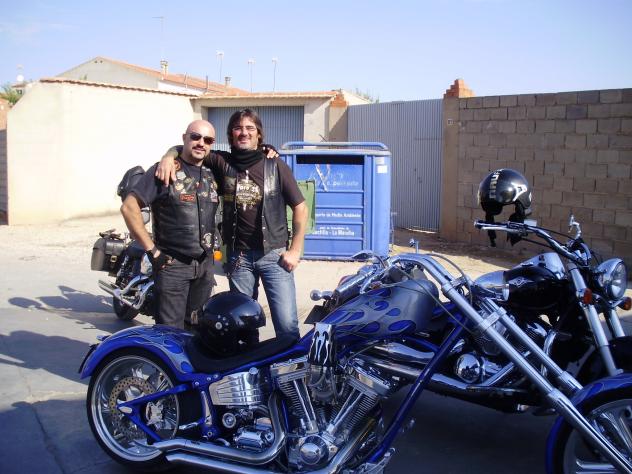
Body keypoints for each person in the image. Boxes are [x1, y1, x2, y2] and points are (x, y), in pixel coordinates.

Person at [156, 109, 307, 341]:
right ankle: (250, 363)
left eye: (250, 128)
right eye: (238, 128)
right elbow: (190, 147)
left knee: (286, 325)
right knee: (242, 325)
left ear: (258, 134)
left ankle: (289, 365)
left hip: (274, 256)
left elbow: (301, 207)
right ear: (231, 135)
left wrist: (295, 250)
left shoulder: (275, 165)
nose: (244, 133)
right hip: (239, 258)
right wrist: (168, 156)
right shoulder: (222, 162)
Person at [120, 120, 219, 329]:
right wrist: (152, 251)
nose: (201, 143)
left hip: (204, 265)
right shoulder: (165, 170)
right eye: (195, 137)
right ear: (184, 138)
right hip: (173, 265)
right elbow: (129, 207)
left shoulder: (212, 172)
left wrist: (267, 149)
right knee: (170, 331)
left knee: (197, 327)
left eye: (208, 140)